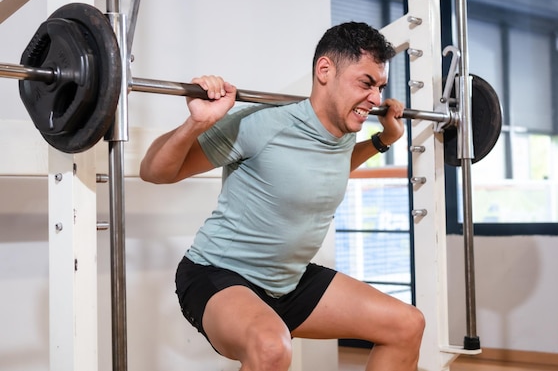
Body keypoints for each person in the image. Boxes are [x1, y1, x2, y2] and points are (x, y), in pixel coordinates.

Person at [140, 22, 425, 371]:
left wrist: (383, 140)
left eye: (380, 87)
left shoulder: (343, 131)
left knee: (407, 325)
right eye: (366, 83)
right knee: (271, 349)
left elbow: (323, 169)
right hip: (219, 274)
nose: (376, 99)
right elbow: (155, 171)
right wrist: (197, 123)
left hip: (288, 281)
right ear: (325, 70)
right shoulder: (263, 124)